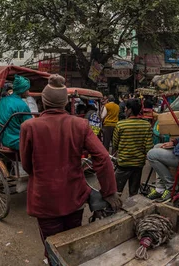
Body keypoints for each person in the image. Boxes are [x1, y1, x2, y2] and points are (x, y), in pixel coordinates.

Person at [20, 74, 120, 254]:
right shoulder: (80, 124)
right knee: (72, 245)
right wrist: (109, 191)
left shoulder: (29, 127)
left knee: (52, 247)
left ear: (44, 101)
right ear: (65, 102)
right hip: (74, 196)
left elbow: (27, 165)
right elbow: (103, 158)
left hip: (44, 198)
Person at [112, 99, 153, 197]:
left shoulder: (120, 125)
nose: (124, 111)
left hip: (123, 163)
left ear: (129, 110)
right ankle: (133, 210)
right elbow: (149, 147)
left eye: (125, 109)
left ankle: (112, 211)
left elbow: (115, 144)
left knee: (116, 192)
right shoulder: (146, 125)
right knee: (134, 193)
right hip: (138, 164)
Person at [0, 75, 32, 150]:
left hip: (3, 137)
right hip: (16, 140)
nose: (28, 92)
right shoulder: (22, 105)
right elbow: (30, 126)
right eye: (27, 89)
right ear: (22, 90)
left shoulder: (2, 100)